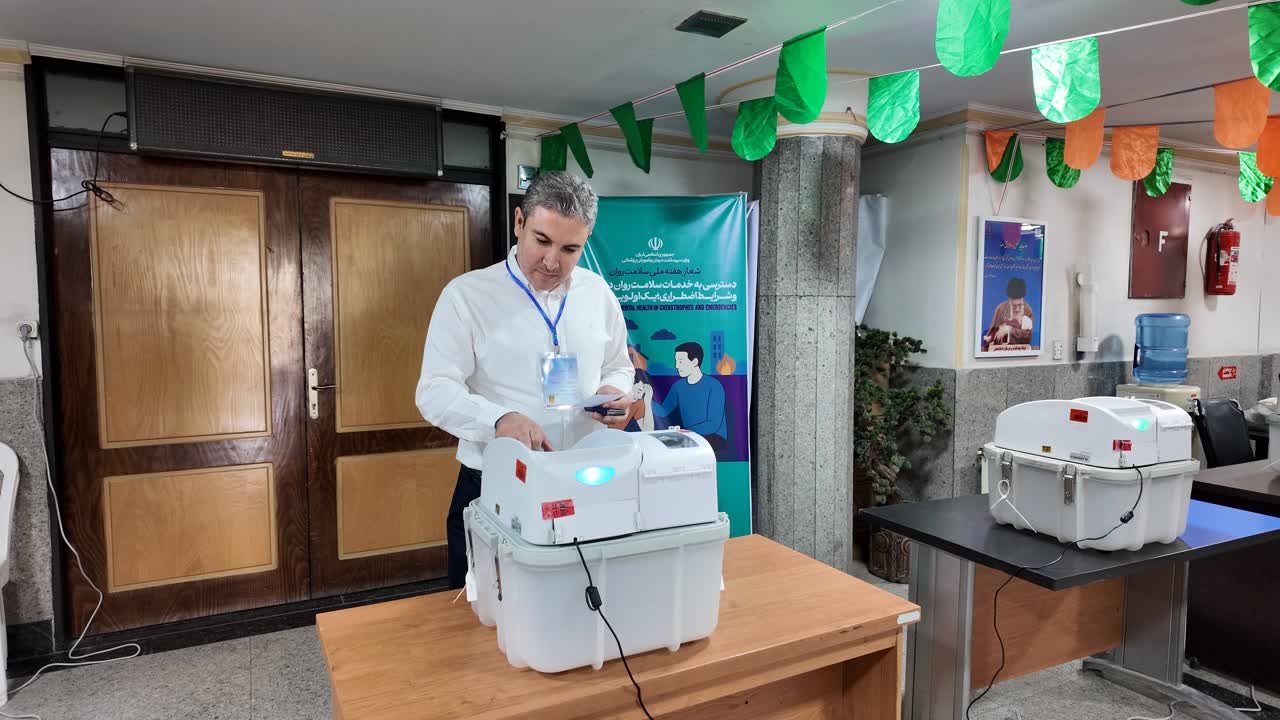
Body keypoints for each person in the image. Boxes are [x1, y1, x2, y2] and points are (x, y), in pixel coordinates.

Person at [415, 171, 633, 589]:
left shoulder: (598, 294)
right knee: (483, 608)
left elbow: (618, 365)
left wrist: (614, 390)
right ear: (519, 222)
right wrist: (498, 420)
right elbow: (434, 391)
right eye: (542, 241)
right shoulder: (467, 296)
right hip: (496, 483)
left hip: (583, 479)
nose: (552, 261)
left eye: (570, 249)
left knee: (581, 598)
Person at [652, 341, 729, 457]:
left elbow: (713, 424)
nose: (677, 366)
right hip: (689, 436)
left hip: (714, 437)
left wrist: (685, 432)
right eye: (676, 361)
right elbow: (663, 411)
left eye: (681, 362)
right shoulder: (678, 386)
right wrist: (648, 397)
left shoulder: (714, 385)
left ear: (694, 362)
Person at [983, 277, 1035, 351]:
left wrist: (1009, 330)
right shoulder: (1001, 308)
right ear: (1010, 299)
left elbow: (1028, 336)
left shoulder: (1027, 310)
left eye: (1020, 305)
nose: (1017, 309)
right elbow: (992, 331)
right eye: (1014, 306)